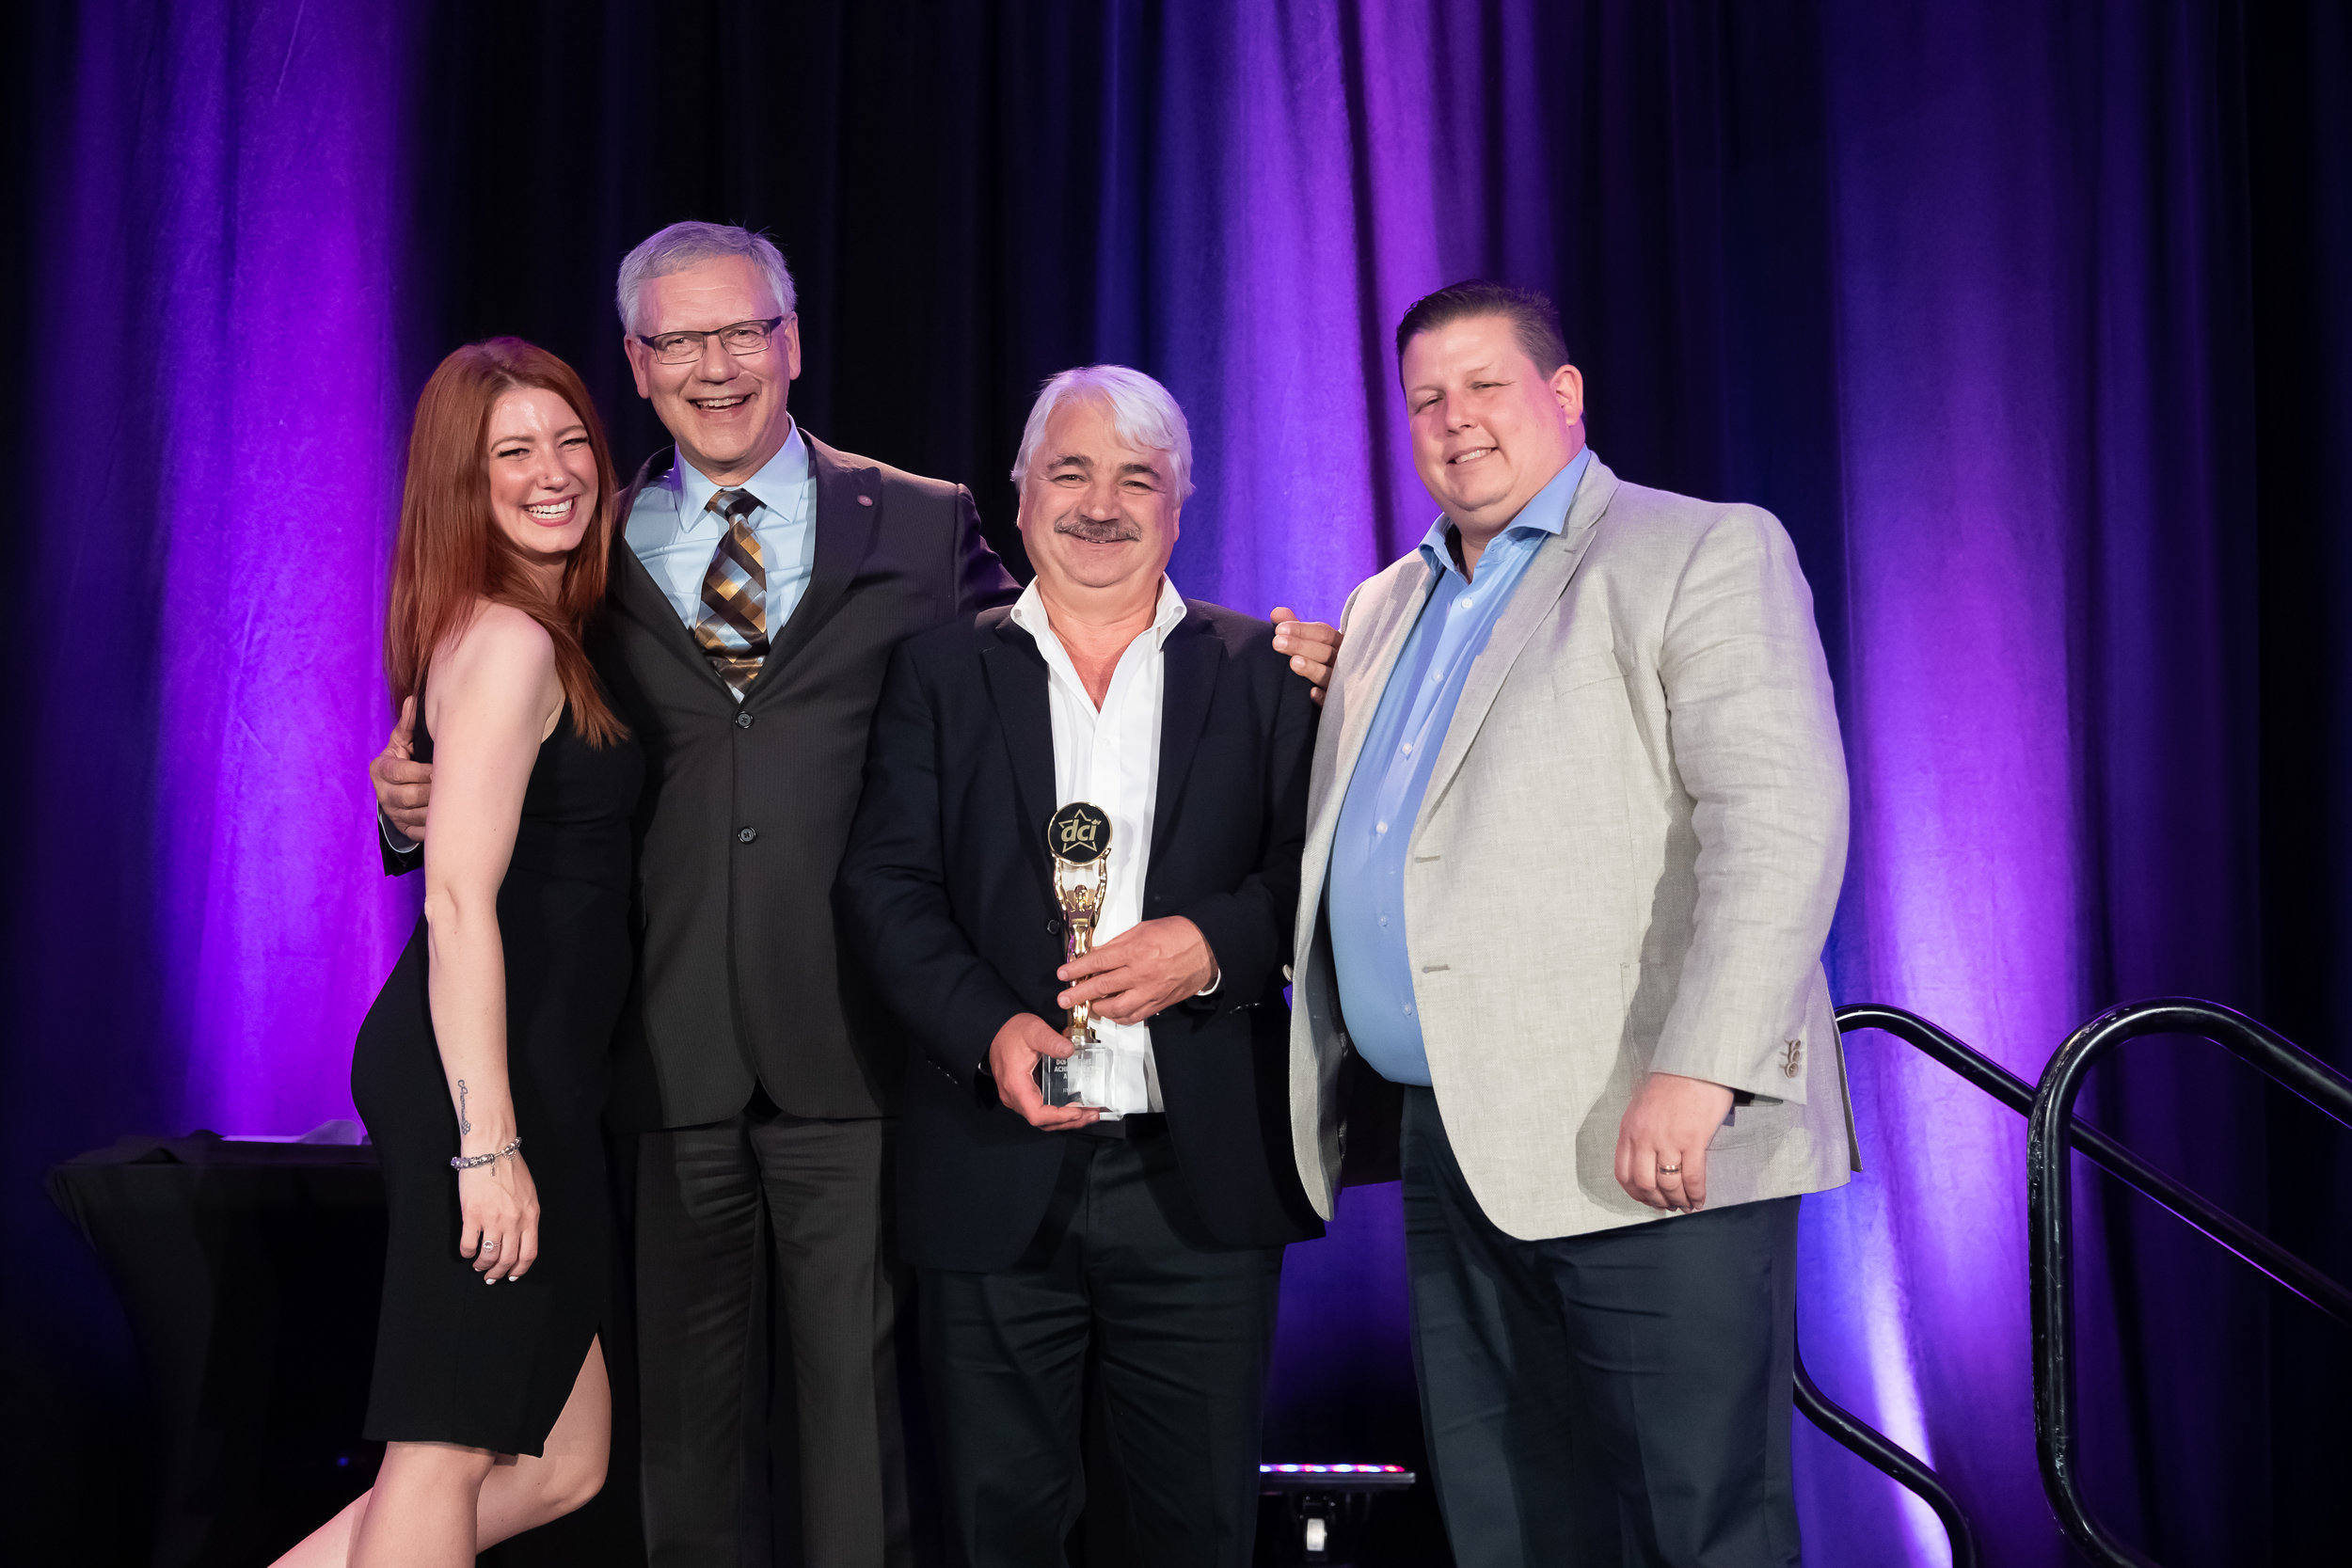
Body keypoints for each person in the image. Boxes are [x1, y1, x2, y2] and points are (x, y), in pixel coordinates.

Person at [372, 224, 1344, 1566]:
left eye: (743, 333)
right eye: (680, 341)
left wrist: (1295, 661)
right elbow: (503, 717)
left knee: (860, 1465)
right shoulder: (578, 544)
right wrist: (400, 781)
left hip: (857, 1051)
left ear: (792, 343)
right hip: (651, 1054)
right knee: (675, 1463)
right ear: (639, 367)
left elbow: (1063, 655)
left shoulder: (930, 517)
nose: (717, 367)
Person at [1286, 281, 1858, 1568]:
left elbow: (1778, 822)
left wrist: (1698, 1067)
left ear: (1565, 394)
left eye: (1485, 385)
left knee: (1691, 1524)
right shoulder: (1388, 604)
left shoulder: (1699, 549)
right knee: (1512, 1523)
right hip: (1451, 1137)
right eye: (1426, 396)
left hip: (1650, 1133)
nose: (1454, 420)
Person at [834, 366, 1326, 1568]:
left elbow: (1307, 880)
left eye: (1136, 477)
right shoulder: (937, 673)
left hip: (1197, 1177)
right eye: (1071, 470)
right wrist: (989, 1031)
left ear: (1179, 502)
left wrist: (1211, 945)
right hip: (994, 1169)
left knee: (1196, 1531)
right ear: (1018, 492)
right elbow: (884, 887)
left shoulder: (1266, 667)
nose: (1100, 503)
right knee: (998, 1529)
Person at [280, 339, 644, 1567]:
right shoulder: (509, 639)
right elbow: (457, 902)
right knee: (440, 1449)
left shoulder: (532, 623)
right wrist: (487, 1144)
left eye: (569, 439)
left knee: (563, 1457)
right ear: (461, 482)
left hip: (537, 1074)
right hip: (483, 1079)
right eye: (512, 453)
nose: (555, 473)